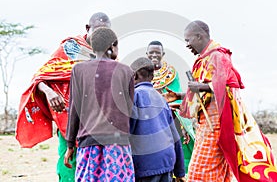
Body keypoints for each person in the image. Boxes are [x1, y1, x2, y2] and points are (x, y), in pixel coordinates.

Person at [164, 20, 277, 181]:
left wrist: (201, 87)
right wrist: (180, 96)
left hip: (216, 125)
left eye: (188, 40)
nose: (187, 45)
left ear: (199, 36)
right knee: (212, 171)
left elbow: (225, 85)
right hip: (206, 125)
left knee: (200, 172)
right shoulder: (204, 59)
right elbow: (204, 93)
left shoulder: (218, 56)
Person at [16, 12, 111, 181]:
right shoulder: (70, 49)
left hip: (98, 126)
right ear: (88, 29)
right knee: (69, 169)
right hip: (69, 121)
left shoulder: (108, 53)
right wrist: (50, 92)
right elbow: (40, 77)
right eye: (98, 31)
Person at [64, 27, 135, 181]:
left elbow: (74, 109)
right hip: (118, 145)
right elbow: (129, 109)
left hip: (88, 143)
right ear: (112, 46)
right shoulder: (126, 71)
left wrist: (70, 144)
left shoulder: (79, 70)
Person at [129, 57, 185, 182]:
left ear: (135, 76)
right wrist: (180, 172)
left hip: (145, 166)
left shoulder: (134, 96)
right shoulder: (161, 99)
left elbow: (128, 132)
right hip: (166, 163)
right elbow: (175, 136)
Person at [146, 40, 195, 174]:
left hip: (172, 116)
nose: (154, 55)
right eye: (151, 52)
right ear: (146, 54)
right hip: (150, 117)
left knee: (179, 146)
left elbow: (176, 92)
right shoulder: (143, 72)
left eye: (157, 52)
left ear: (163, 54)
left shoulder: (171, 72)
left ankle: (180, 174)